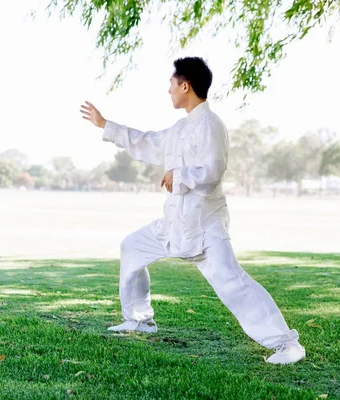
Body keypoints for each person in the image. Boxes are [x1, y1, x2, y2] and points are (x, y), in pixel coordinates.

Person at [79, 57, 305, 365]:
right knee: (131, 247)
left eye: (171, 85)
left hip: (204, 225)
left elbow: (212, 173)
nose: (168, 90)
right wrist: (106, 125)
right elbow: (146, 142)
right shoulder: (180, 128)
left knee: (233, 282)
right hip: (173, 224)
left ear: (186, 86)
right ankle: (140, 319)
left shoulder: (211, 126)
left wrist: (179, 174)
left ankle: (286, 344)